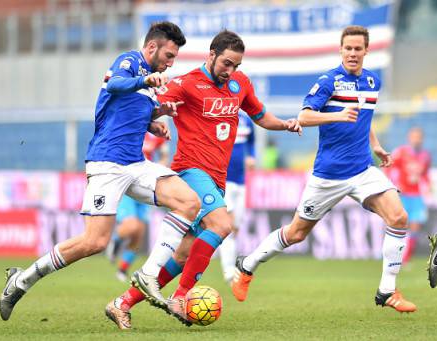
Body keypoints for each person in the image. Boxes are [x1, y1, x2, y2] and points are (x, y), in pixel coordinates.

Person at [0, 21, 201, 322]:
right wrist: (146, 83)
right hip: (107, 163)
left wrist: (156, 118)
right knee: (95, 242)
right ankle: (22, 279)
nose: (171, 62)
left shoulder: (148, 80)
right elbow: (115, 85)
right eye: (169, 55)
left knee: (190, 202)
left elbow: (124, 112)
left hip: (135, 164)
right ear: (151, 47)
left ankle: (148, 274)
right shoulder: (130, 61)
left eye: (174, 57)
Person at [106, 29, 302, 329]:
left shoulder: (240, 84)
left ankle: (122, 303)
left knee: (184, 254)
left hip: (217, 178)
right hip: (190, 171)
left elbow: (261, 115)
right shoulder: (185, 84)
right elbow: (148, 107)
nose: (230, 70)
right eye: (226, 63)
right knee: (222, 225)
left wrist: (285, 125)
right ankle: (182, 297)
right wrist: (155, 120)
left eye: (236, 65)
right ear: (210, 55)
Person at [231, 25, 417, 313]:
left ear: (366, 50)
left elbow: (363, 120)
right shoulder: (328, 82)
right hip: (328, 175)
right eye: (348, 48)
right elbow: (303, 117)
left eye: (358, 48)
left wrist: (376, 145)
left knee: (399, 216)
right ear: (341, 50)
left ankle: (387, 291)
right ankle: (248, 264)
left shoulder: (372, 81)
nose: (353, 53)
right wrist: (337, 115)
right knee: (295, 234)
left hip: (363, 170)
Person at [108, 132, 170, 282]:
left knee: (139, 234)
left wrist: (158, 167)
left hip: (146, 185)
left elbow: (164, 155)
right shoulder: (131, 127)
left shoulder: (157, 134)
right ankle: (115, 240)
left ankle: (122, 269)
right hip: (127, 184)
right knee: (132, 226)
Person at [220, 111, 256, 283]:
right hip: (224, 179)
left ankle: (229, 266)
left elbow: (252, 140)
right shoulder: (220, 115)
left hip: (241, 180)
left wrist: (251, 156)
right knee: (228, 226)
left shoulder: (245, 120)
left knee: (235, 227)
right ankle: (228, 271)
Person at [387, 127, 431, 263]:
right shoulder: (400, 152)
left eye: (418, 137)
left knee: (415, 227)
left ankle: (405, 259)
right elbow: (389, 167)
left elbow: (425, 175)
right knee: (399, 226)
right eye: (414, 136)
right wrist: (394, 184)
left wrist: (428, 186)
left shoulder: (425, 156)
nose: (416, 139)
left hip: (417, 196)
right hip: (403, 195)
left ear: (422, 139)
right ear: (409, 137)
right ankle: (392, 255)